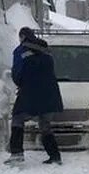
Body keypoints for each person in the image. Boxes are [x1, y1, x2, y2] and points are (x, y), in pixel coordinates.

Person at [5, 27, 64, 165]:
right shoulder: (46, 50)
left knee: (18, 118)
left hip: (30, 92)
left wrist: (22, 83)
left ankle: (17, 153)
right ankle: (55, 156)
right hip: (50, 93)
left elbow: (17, 74)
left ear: (23, 37)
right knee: (45, 124)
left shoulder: (20, 51)